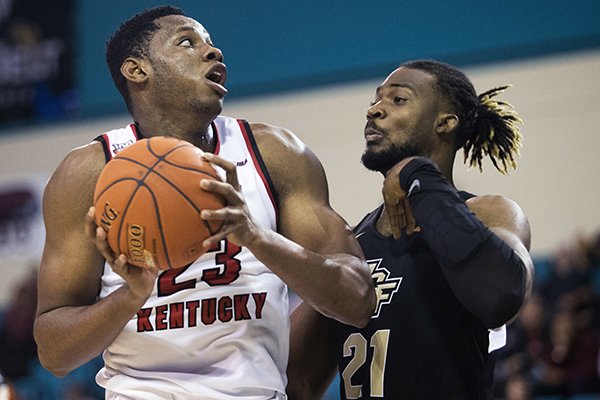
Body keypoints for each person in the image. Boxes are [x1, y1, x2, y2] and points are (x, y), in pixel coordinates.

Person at [33, 6, 375, 400]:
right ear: (136, 70)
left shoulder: (274, 153)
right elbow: (54, 353)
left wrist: (257, 237)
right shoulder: (89, 171)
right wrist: (129, 296)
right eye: (187, 42)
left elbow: (358, 301)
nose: (214, 53)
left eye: (212, 44)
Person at [287, 60, 535, 399]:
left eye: (398, 99)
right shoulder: (350, 242)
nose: (374, 110)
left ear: (445, 123)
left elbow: (501, 295)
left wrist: (418, 173)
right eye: (376, 100)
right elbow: (294, 379)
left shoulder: (490, 212)